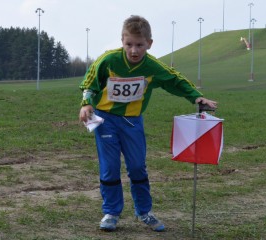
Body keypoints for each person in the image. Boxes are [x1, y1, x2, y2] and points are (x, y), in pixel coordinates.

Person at [79, 15, 217, 232]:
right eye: (129, 44)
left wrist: (196, 97)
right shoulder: (108, 60)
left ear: (149, 44)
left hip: (133, 123)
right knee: (110, 167)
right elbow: (90, 81)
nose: (134, 50)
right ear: (122, 41)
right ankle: (111, 212)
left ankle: (144, 212)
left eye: (140, 45)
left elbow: (175, 80)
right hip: (105, 121)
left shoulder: (153, 67)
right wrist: (86, 103)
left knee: (136, 167)